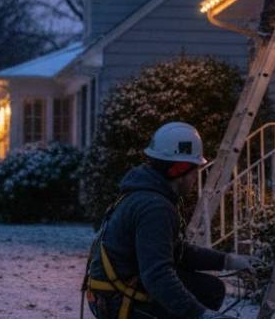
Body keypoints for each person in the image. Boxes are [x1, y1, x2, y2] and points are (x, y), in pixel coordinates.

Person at [84, 122, 255, 319]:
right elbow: (157, 276)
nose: (195, 179)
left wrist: (226, 261)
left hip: (113, 289)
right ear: (179, 170)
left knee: (210, 288)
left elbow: (175, 252)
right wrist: (199, 314)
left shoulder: (149, 194)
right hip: (114, 300)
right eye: (194, 171)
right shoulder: (154, 207)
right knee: (203, 292)